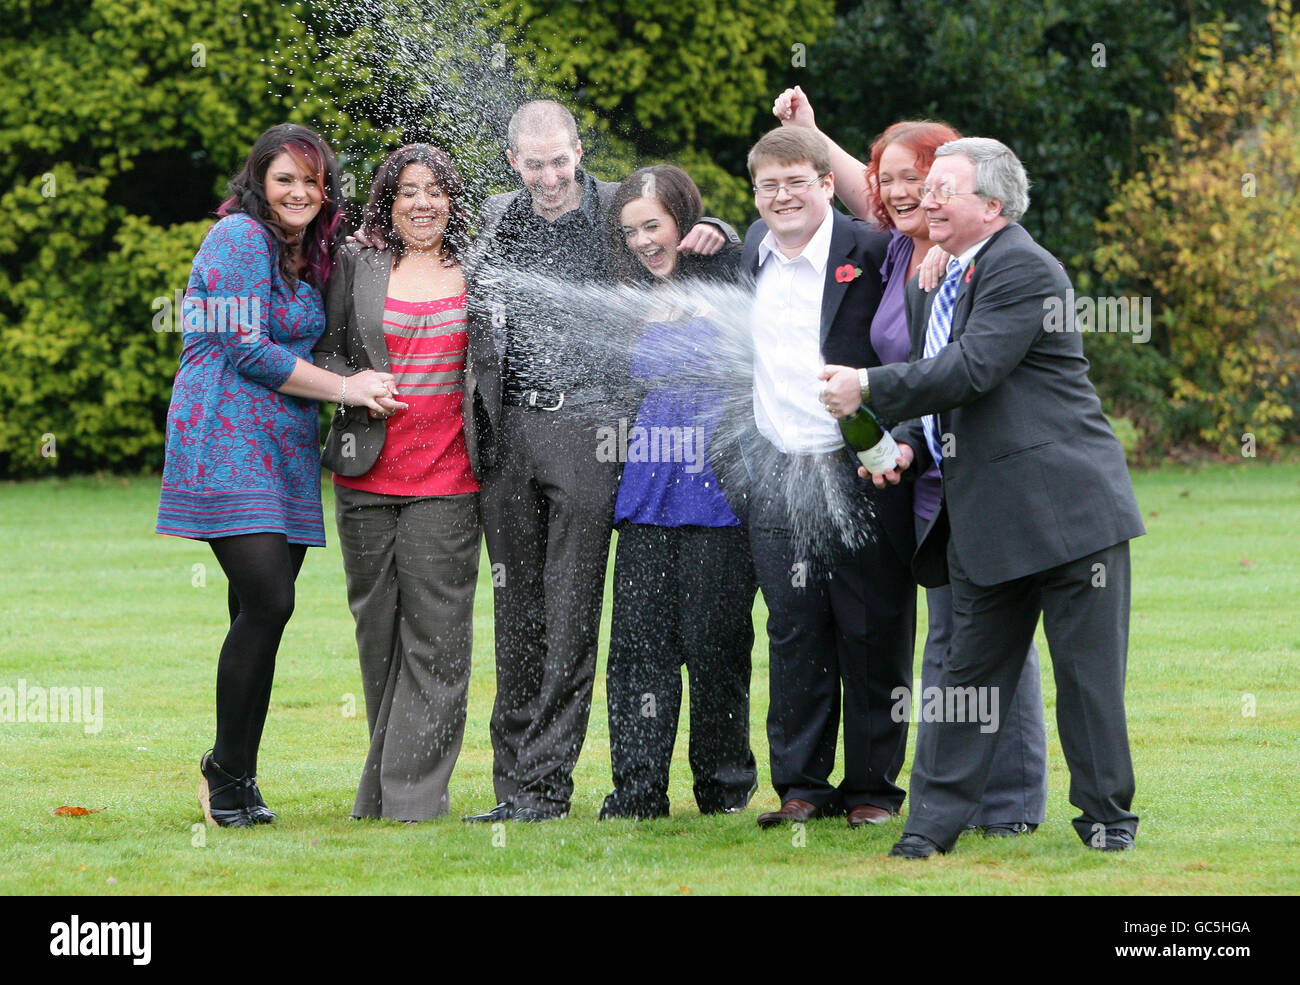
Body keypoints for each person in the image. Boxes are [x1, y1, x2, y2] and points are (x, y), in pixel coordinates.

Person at [821, 137, 1145, 857]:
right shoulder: (937, 273)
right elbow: (939, 383)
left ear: (991, 206)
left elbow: (972, 369)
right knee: (961, 684)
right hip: (983, 520)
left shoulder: (1025, 268)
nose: (924, 199)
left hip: (1071, 518)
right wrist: (904, 439)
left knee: (1088, 684)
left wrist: (868, 386)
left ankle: (1107, 823)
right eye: (925, 188)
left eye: (943, 190)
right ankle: (928, 833)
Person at [773, 87, 1048, 838]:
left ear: (952, 187)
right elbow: (873, 193)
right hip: (921, 477)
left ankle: (1011, 804)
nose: (898, 192)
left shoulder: (972, 265)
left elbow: (967, 370)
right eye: (889, 178)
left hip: (978, 474)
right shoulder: (898, 251)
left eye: (918, 180)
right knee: (956, 642)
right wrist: (812, 134)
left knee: (993, 640)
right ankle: (967, 797)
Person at [458, 100, 738, 823]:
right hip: (507, 432)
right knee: (516, 614)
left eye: (560, 159)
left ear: (578, 150)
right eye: (533, 162)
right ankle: (515, 786)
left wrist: (724, 232)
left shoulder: (619, 205)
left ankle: (548, 787)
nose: (549, 176)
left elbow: (685, 222)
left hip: (591, 429)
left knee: (571, 610)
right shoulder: (493, 216)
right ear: (512, 161)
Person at [156, 123, 399, 828]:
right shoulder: (237, 239)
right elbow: (246, 348)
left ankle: (237, 776)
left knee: (254, 611)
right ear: (259, 181)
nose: (299, 191)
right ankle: (224, 769)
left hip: (285, 444)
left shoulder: (310, 250)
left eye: (311, 180)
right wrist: (350, 390)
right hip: (223, 434)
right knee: (270, 601)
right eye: (284, 178)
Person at [740, 127, 915, 831]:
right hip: (778, 475)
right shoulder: (747, 250)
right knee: (794, 630)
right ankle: (802, 785)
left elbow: (909, 350)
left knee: (872, 630)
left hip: (863, 474)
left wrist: (893, 442)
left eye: (796, 182)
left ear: (823, 184)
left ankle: (874, 787)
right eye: (768, 185)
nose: (782, 197)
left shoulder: (872, 253)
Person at [313, 143, 482, 822]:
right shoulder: (358, 261)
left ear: (452, 199)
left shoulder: (480, 263)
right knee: (379, 637)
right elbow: (322, 347)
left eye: (435, 190)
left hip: (450, 481)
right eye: (408, 190)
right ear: (388, 199)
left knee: (437, 643)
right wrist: (352, 385)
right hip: (365, 477)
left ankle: (411, 800)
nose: (422, 202)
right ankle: (385, 790)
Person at [598, 165, 758, 820]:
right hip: (647, 489)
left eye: (654, 225)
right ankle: (637, 792)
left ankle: (722, 789)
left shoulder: (728, 275)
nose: (642, 240)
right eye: (631, 229)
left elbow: (757, 257)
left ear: (684, 223)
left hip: (719, 488)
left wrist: (721, 234)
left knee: (715, 642)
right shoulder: (630, 294)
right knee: (637, 647)